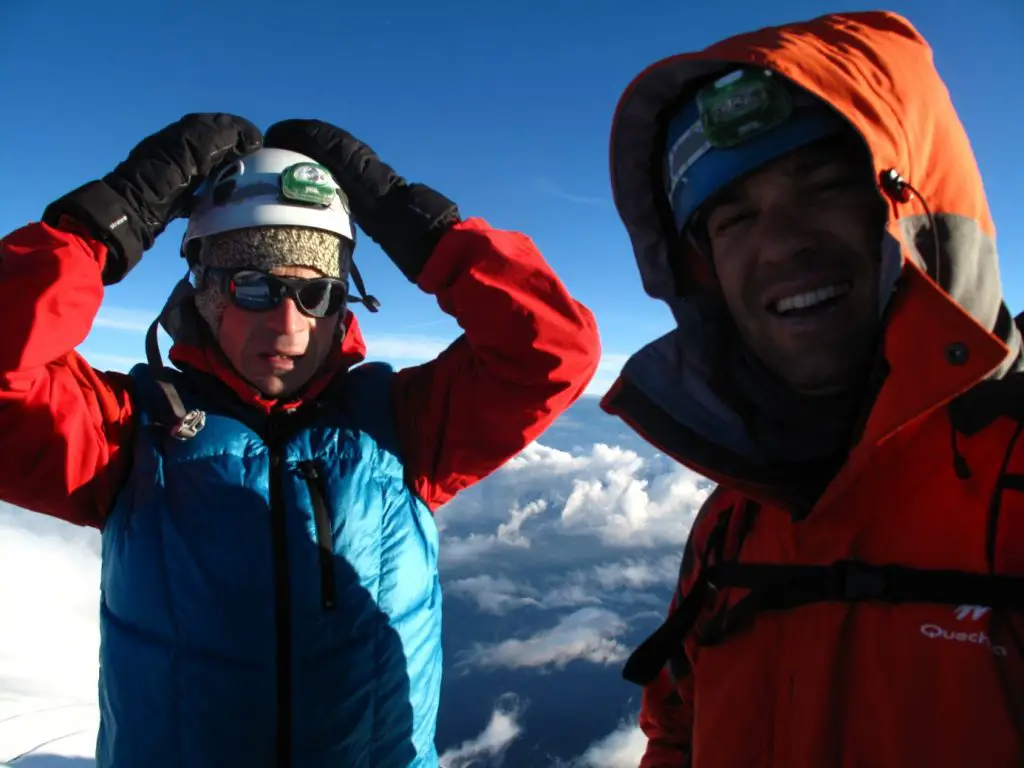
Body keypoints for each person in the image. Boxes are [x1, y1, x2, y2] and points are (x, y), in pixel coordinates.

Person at [0, 114, 600, 767]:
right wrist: (107, 222)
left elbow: (551, 351)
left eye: (315, 293)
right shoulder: (127, 432)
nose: (288, 327)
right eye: (252, 286)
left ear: (343, 304)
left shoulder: (404, 425)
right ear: (203, 294)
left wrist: (415, 224)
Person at [599, 10, 1024, 767]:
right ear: (705, 278)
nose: (781, 245)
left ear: (911, 211)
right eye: (734, 220)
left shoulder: (1013, 489)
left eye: (825, 187)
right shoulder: (731, 522)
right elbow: (675, 733)